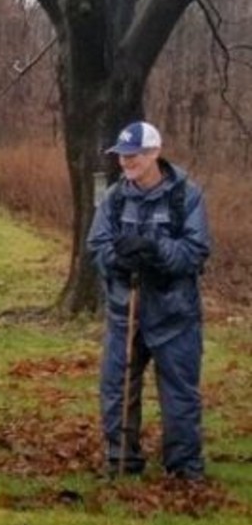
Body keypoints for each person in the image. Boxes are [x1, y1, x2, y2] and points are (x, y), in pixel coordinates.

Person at [87, 121, 211, 480]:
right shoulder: (114, 197)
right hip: (125, 312)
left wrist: (156, 250)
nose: (126, 162)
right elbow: (97, 247)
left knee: (180, 396)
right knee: (117, 390)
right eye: (122, 156)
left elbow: (195, 252)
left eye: (134, 155)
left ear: (154, 153)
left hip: (175, 315)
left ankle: (184, 469)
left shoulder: (186, 195)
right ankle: (121, 460)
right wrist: (119, 259)